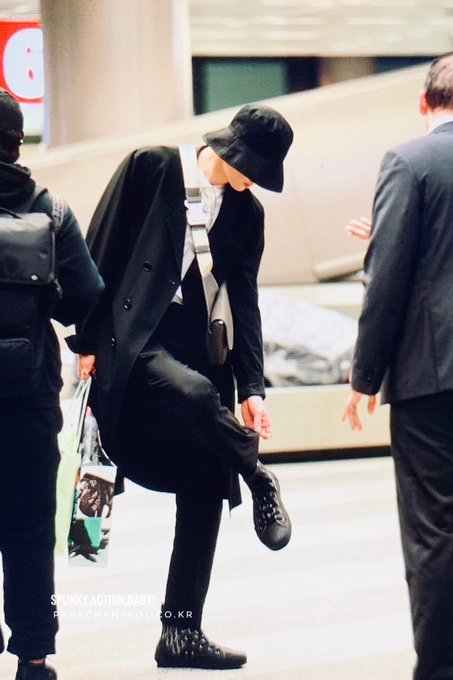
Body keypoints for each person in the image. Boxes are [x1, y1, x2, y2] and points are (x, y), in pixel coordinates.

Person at [68, 103, 293, 670]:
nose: (255, 182)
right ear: (231, 151)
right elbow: (100, 249)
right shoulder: (154, 167)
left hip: (197, 354)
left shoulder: (247, 214)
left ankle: (181, 631)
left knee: (206, 480)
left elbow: (245, 302)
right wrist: (87, 338)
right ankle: (258, 474)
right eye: (253, 169)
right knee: (195, 395)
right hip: (132, 340)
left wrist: (253, 389)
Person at [342, 52, 453, 680]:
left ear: (422, 102)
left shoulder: (409, 161)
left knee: (435, 530)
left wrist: (364, 376)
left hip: (432, 378)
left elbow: (389, 279)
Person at [0, 90, 104, 680]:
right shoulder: (50, 209)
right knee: (30, 527)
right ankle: (34, 657)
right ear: (18, 143)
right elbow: (86, 296)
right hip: (30, 395)